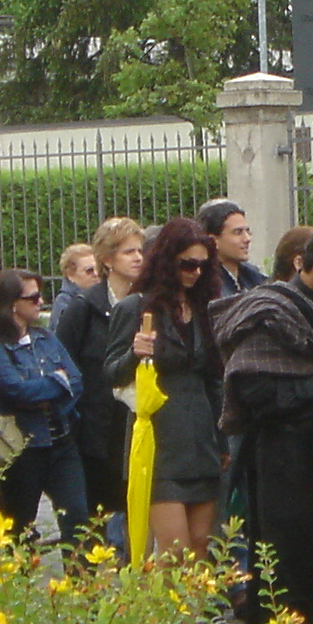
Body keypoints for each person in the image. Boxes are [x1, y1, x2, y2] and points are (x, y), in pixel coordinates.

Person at [214, 220, 313, 624]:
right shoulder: (271, 311)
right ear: (311, 266)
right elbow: (252, 393)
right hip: (284, 469)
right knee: (285, 573)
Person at [106, 216, 225, 560]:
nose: (195, 273)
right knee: (175, 551)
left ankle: (194, 602)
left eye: (203, 266)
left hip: (201, 436)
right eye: (187, 264)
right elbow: (111, 374)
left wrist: (221, 438)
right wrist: (134, 353)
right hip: (159, 440)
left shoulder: (204, 309)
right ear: (167, 261)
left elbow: (214, 380)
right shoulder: (136, 307)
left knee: (201, 545)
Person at [0, 267, 88, 542]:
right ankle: (19, 569)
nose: (41, 302)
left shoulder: (45, 338)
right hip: (23, 448)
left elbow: (76, 381)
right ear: (12, 304)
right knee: (19, 525)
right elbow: (15, 391)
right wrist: (56, 383)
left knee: (77, 519)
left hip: (62, 441)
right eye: (33, 297)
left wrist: (47, 390)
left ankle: (80, 570)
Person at [57, 216, 142, 548]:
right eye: (128, 252)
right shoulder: (83, 308)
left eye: (140, 250)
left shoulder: (147, 304)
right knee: (95, 522)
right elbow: (65, 365)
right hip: (95, 432)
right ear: (107, 259)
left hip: (137, 423)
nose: (138, 258)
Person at [196, 199, 264, 301]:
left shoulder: (254, 276)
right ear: (213, 241)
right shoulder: (206, 285)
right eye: (238, 232)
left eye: (248, 231)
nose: (247, 239)